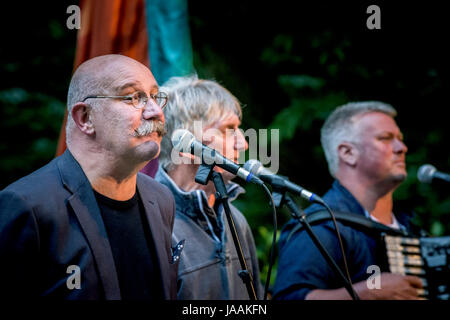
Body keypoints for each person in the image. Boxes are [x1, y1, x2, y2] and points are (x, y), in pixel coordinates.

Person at [0, 54, 178, 300]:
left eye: (156, 97)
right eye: (134, 97)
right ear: (85, 117)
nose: (156, 111)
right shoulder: (26, 206)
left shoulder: (161, 199)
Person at [273, 101, 424, 300]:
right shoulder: (320, 228)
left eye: (400, 139)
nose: (401, 148)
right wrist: (367, 293)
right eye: (385, 138)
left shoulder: (409, 226)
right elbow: (288, 298)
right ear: (347, 153)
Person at [153, 75, 263, 299]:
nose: (243, 143)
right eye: (229, 129)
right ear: (185, 145)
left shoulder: (237, 221)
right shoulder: (150, 223)